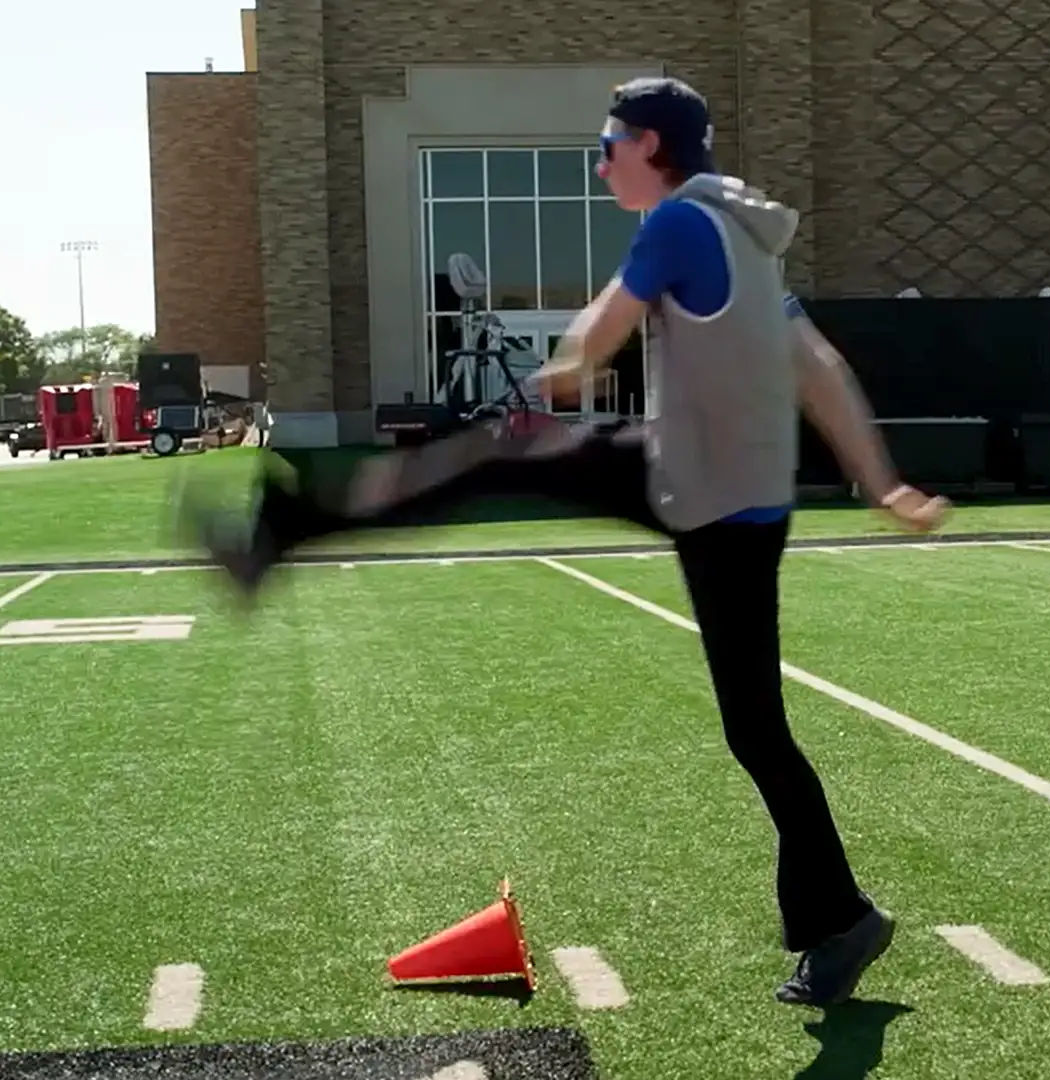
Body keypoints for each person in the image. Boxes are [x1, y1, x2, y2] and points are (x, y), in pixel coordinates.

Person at [185, 75, 951, 1007]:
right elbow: (821, 370)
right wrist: (886, 485)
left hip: (702, 499)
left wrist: (570, 363)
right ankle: (841, 924)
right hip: (733, 498)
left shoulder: (676, 225)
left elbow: (603, 327)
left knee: (751, 726)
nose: (598, 165)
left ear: (652, 147)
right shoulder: (750, 243)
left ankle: (843, 921)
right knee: (753, 727)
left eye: (609, 146)